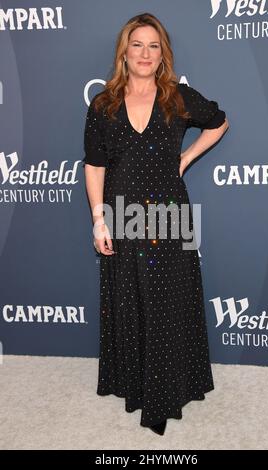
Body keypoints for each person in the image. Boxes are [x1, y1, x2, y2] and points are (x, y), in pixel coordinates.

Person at [83, 12, 229, 436]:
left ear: (162, 53)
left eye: (153, 45)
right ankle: (134, 383)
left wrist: (185, 158)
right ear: (124, 53)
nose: (145, 54)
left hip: (169, 213)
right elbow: (94, 167)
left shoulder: (178, 98)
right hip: (122, 213)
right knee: (129, 298)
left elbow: (219, 121)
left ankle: (165, 396)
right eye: (137, 45)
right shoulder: (104, 104)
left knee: (168, 303)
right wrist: (98, 221)